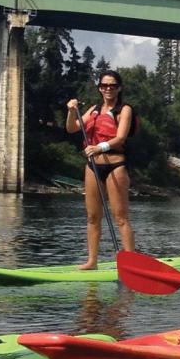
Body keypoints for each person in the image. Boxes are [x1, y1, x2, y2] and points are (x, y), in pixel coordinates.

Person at [66, 70, 136, 269]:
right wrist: (71, 111)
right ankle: (92, 261)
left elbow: (120, 138)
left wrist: (99, 147)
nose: (108, 89)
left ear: (119, 88)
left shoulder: (124, 110)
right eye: (104, 85)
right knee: (92, 216)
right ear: (99, 88)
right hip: (93, 166)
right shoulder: (94, 109)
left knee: (120, 217)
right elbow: (72, 128)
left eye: (112, 86)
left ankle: (132, 263)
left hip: (116, 165)